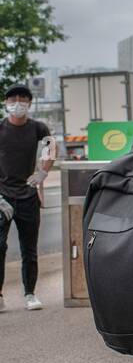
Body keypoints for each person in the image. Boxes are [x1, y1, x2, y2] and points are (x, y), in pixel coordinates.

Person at [0, 84, 56, 311]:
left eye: (23, 99)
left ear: (30, 103)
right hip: (3, 198)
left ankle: (30, 294)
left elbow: (50, 148)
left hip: (28, 196)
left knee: (29, 249)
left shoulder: (38, 128)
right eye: (13, 99)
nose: (18, 103)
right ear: (6, 103)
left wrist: (42, 172)